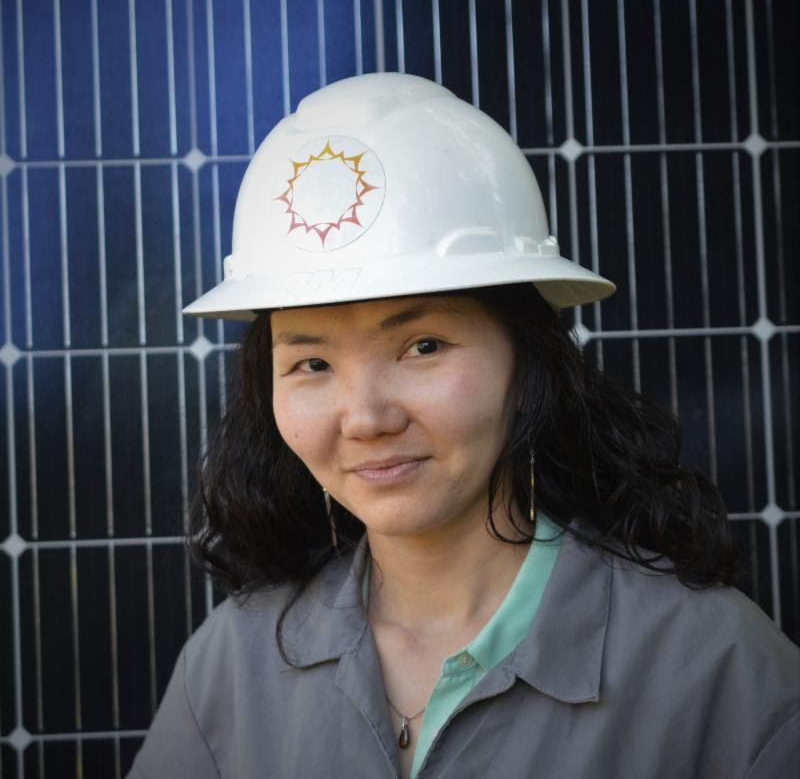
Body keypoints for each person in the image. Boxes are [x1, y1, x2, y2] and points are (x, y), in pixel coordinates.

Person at [127, 73, 799, 779]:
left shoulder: (716, 667)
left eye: (423, 347)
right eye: (312, 363)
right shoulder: (232, 667)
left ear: (528, 362)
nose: (366, 417)